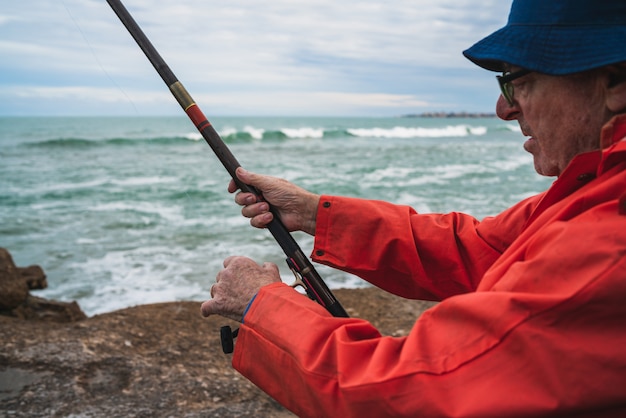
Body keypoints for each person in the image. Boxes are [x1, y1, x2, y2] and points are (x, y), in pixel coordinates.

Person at [201, 0, 626, 416]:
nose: (504, 108)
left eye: (517, 79)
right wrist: (314, 213)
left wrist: (263, 305)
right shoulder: (595, 187)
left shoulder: (608, 238)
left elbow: (413, 390)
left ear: (614, 84)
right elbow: (475, 250)